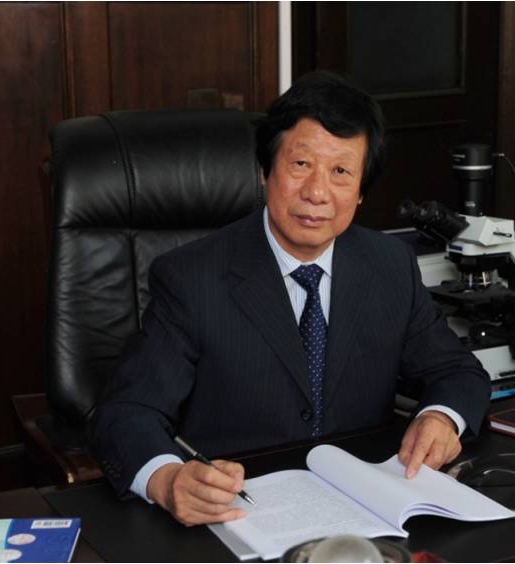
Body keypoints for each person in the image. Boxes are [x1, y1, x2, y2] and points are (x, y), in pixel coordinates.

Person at [89, 70, 490, 526]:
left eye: (341, 172)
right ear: (265, 171)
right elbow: (127, 412)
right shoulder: (190, 277)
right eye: (300, 164)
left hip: (362, 512)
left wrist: (441, 418)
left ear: (361, 192)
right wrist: (166, 480)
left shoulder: (390, 265)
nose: (317, 193)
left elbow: (457, 371)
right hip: (236, 514)